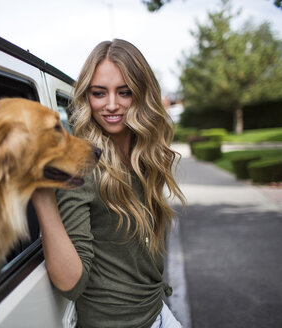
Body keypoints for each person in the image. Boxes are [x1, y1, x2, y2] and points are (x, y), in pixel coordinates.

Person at [31, 39, 186, 328]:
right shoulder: (82, 166)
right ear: (86, 96)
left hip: (156, 311)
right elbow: (70, 283)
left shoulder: (145, 154)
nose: (112, 105)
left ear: (142, 95)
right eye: (99, 93)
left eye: (124, 92)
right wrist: (41, 194)